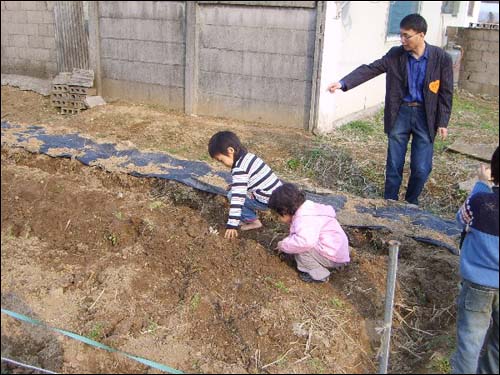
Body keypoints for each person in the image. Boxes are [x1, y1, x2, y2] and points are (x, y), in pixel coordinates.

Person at [327, 14, 453, 205]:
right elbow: (372, 69)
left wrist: (443, 121)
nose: (402, 40)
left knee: (421, 168)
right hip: (400, 113)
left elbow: (446, 92)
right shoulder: (396, 54)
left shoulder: (441, 58)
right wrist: (344, 83)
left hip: (425, 116)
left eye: (406, 36)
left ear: (421, 35)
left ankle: (411, 202)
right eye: (400, 35)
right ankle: (390, 203)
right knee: (394, 164)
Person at [451, 146, 499, 374]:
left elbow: (461, 220)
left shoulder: (480, 201)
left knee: (470, 342)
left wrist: (481, 184)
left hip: (478, 285)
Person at [268, 183, 350, 283]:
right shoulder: (310, 209)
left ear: (285, 211)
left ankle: (320, 274)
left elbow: (304, 242)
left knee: (302, 250)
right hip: (338, 251)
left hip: (332, 256)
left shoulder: (304, 218)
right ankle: (327, 264)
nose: (278, 219)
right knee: (299, 244)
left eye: (278, 215)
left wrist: (283, 245)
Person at [208, 131, 282, 239]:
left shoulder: (239, 169)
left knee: (232, 195)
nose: (222, 163)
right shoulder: (249, 157)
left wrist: (232, 224)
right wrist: (235, 185)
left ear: (230, 151)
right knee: (235, 191)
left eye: (221, 160)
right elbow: (252, 179)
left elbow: (238, 198)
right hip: (278, 196)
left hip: (267, 201)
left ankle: (254, 222)